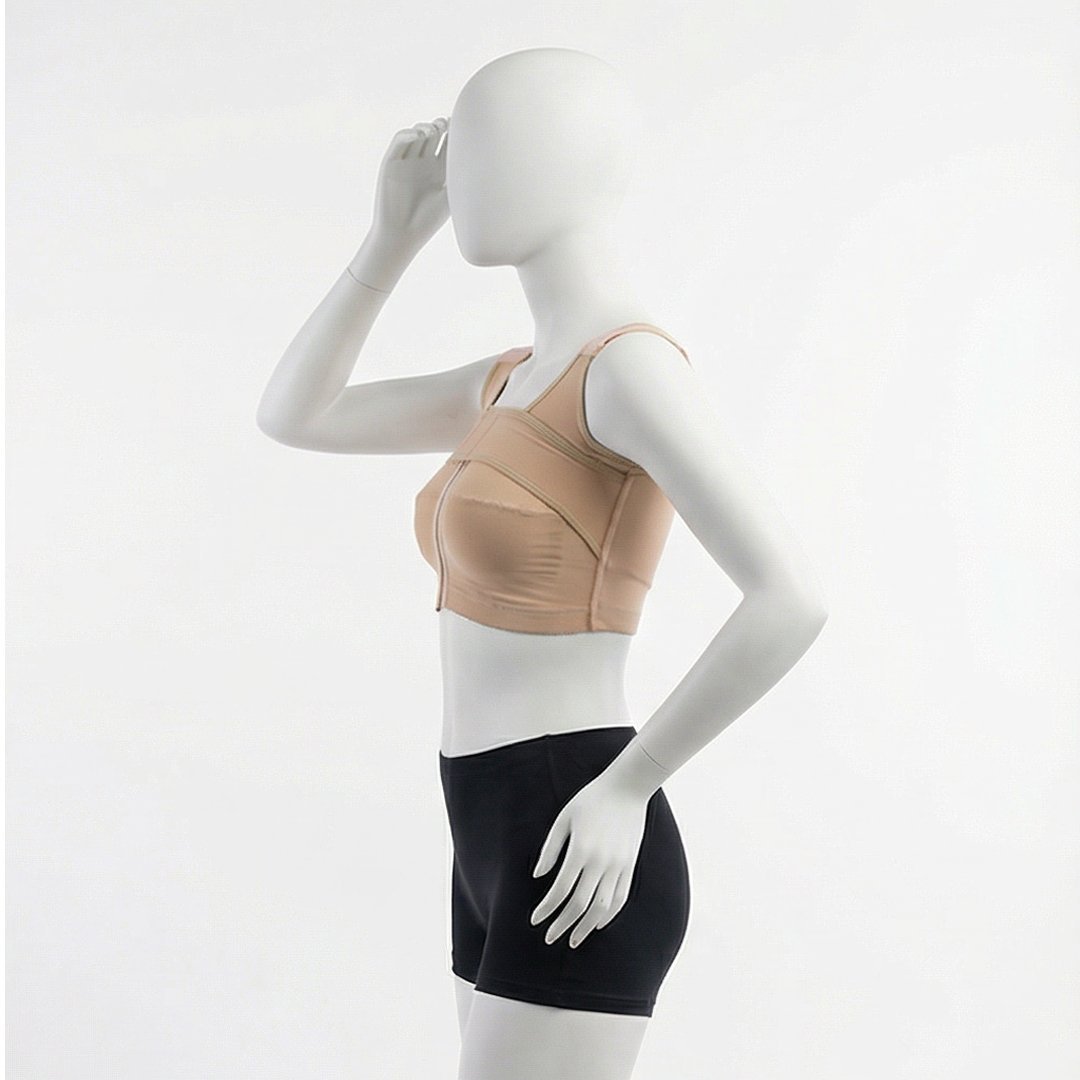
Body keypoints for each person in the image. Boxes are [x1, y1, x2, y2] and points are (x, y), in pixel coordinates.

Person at [256, 47, 828, 1080]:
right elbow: (298, 415)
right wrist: (389, 239)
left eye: (488, 143)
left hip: (575, 815)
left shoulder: (627, 369)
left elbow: (790, 597)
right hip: (484, 818)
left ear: (576, 160)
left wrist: (630, 786)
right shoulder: (509, 381)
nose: (462, 172)